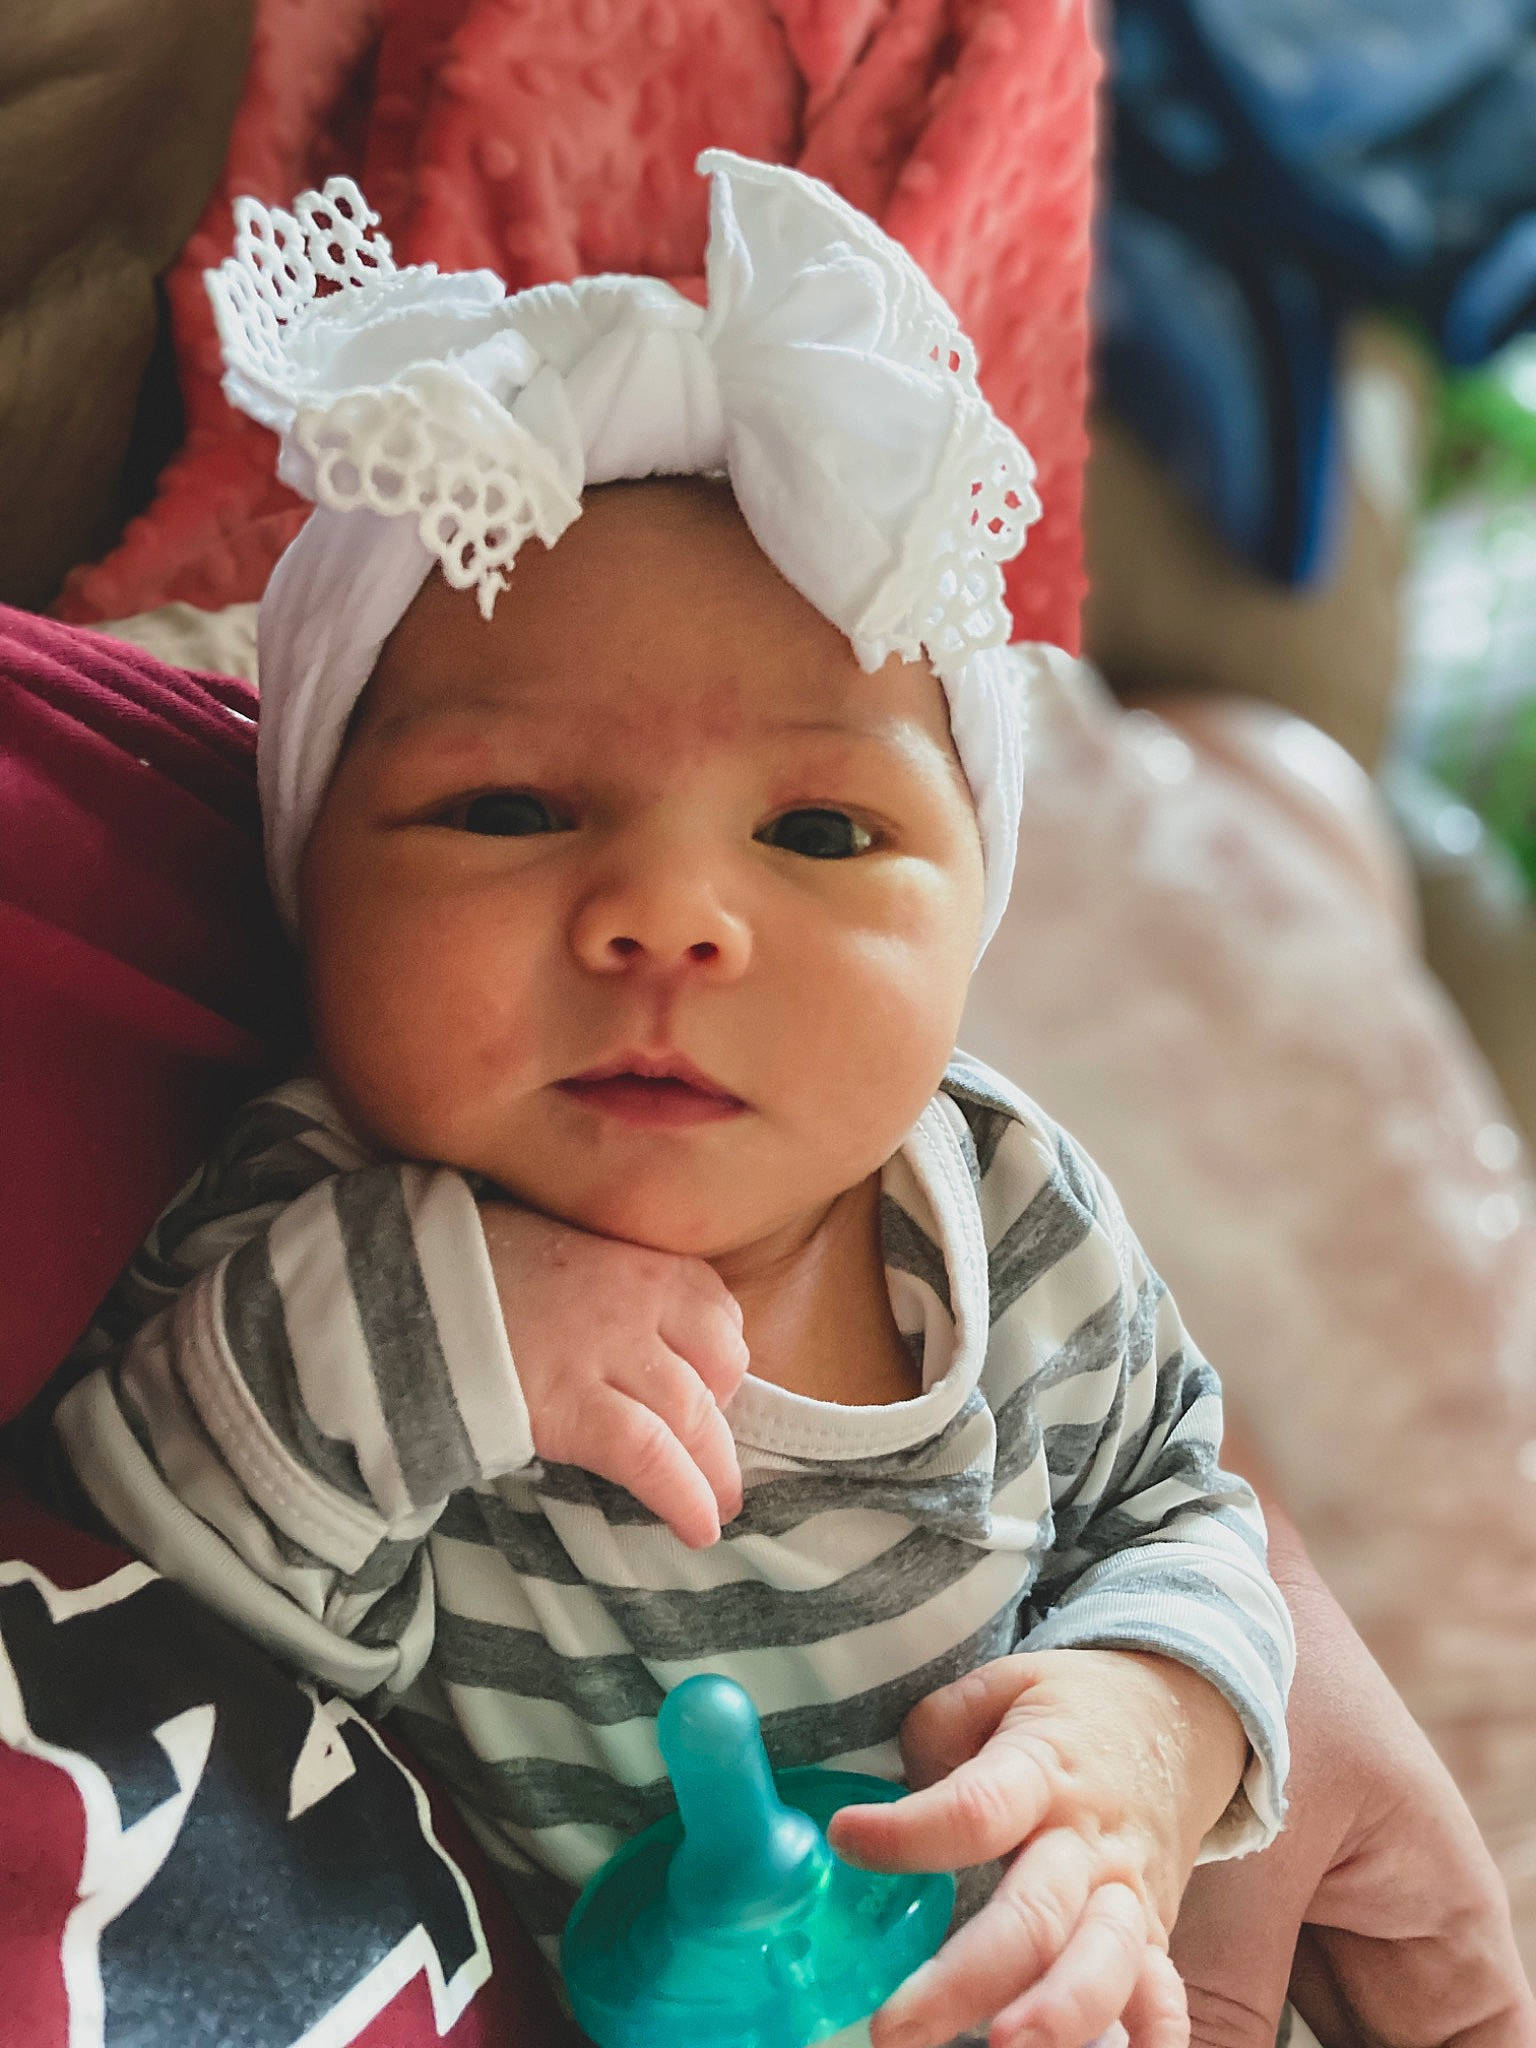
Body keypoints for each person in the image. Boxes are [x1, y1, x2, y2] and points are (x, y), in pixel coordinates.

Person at [40, 156, 1299, 2047]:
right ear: (313, 898)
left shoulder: (1014, 1206)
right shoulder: (325, 1225)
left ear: (974, 919)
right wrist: (457, 1327)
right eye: (510, 810)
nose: (668, 919)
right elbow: (169, 1572)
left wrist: (1150, 1729)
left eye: (817, 829)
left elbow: (1177, 1506)